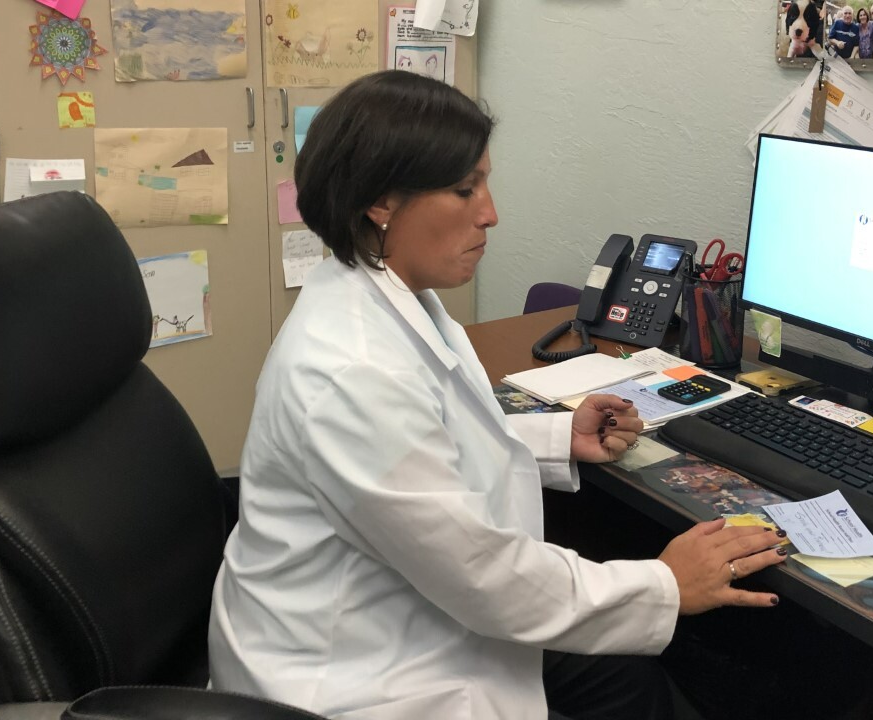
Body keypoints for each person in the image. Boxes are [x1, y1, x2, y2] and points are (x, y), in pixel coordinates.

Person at [208, 71, 786, 720]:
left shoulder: (386, 295)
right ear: (381, 203)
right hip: (356, 679)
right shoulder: (350, 370)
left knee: (639, 687)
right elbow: (489, 582)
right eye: (465, 189)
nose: (491, 212)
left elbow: (432, 443)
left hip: (409, 615)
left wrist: (554, 437)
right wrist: (667, 583)